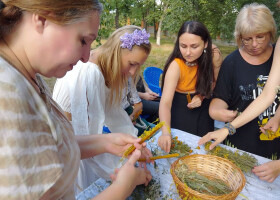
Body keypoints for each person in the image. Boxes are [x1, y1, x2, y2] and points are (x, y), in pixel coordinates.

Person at [0, 1, 151, 199]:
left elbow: (51, 146)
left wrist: (105, 142)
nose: (86, 56)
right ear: (43, 18)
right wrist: (123, 186)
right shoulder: (9, 93)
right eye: (82, 40)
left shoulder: (28, 76)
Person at [52, 25, 152, 194]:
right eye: (132, 64)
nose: (133, 72)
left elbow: (114, 112)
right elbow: (87, 135)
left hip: (83, 141)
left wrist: (135, 142)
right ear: (117, 52)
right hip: (72, 144)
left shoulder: (106, 69)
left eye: (138, 66)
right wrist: (120, 172)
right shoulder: (89, 72)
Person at [199, 3, 280, 183]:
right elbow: (266, 95)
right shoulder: (232, 62)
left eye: (260, 37)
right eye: (247, 38)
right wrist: (219, 114)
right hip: (241, 143)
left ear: (271, 32)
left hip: (273, 148)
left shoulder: (277, 54)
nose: (254, 44)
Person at [158, 21, 222, 153]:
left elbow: (214, 83)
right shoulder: (176, 66)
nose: (188, 52)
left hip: (204, 107)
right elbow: (165, 103)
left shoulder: (213, 55)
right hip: (180, 108)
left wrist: (202, 96)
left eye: (194, 46)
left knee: (204, 148)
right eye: (183, 46)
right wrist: (165, 132)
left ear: (205, 44)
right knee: (183, 149)